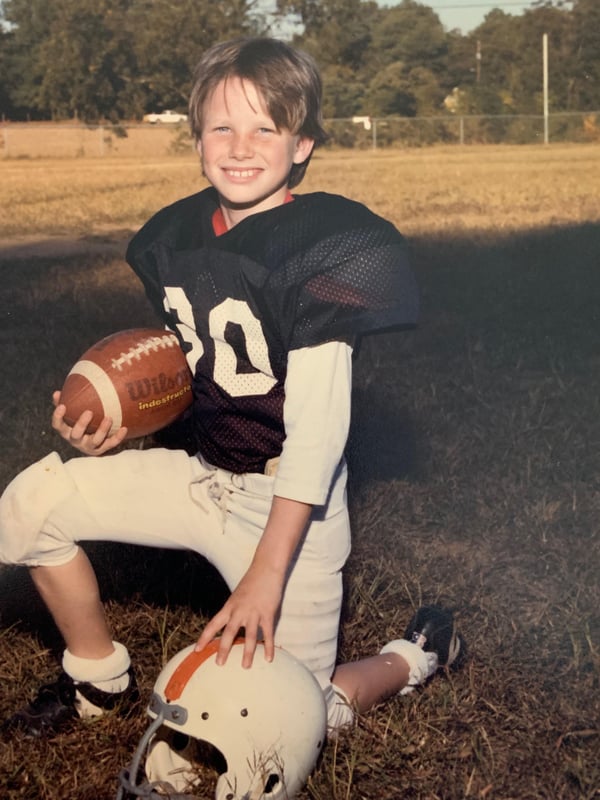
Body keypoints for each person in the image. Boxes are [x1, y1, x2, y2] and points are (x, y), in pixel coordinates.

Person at [0, 35, 462, 786]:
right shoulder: (174, 239)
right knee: (28, 506)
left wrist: (264, 576)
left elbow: (317, 438)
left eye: (265, 129)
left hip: (292, 509)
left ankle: (413, 658)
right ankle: (96, 679)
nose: (241, 148)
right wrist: (123, 425)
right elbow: (198, 367)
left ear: (303, 143)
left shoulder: (326, 249)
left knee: (300, 719)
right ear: (196, 138)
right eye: (222, 127)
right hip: (206, 476)